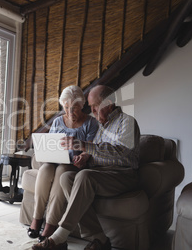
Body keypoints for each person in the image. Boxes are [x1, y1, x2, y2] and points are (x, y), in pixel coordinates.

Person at [32, 85, 140, 250]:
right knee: (66, 178)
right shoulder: (101, 126)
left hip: (123, 175)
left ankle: (59, 237)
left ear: (108, 103)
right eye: (91, 107)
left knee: (84, 176)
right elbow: (95, 151)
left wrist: (84, 146)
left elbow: (121, 152)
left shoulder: (127, 122)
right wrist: (85, 157)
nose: (92, 111)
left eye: (94, 107)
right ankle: (100, 238)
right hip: (101, 173)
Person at [27, 85, 99, 242]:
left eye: (74, 108)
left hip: (73, 164)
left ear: (82, 105)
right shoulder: (58, 121)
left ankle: (50, 225)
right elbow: (51, 144)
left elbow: (92, 147)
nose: (70, 112)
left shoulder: (91, 123)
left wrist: (85, 156)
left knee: (62, 171)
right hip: (55, 161)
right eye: (66, 108)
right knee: (45, 169)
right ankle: (36, 218)